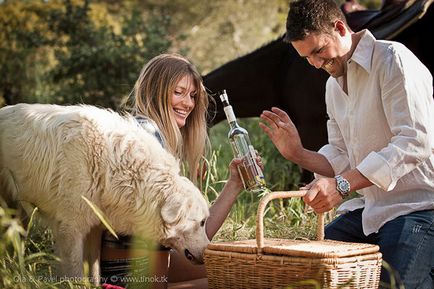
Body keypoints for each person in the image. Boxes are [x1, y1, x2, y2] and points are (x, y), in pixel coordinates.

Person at [259, 0, 434, 288]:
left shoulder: (392, 60)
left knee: (392, 284)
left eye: (318, 51)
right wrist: (298, 153)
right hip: (370, 213)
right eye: (307, 58)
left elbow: (415, 141)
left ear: (340, 28)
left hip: (418, 208)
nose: (315, 64)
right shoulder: (333, 86)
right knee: (309, 272)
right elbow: (342, 157)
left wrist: (341, 186)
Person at [100, 53, 255, 289]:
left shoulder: (156, 137)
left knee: (242, 272)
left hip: (143, 267)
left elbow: (192, 238)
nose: (188, 103)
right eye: (178, 92)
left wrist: (234, 184)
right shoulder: (146, 137)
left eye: (192, 95)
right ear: (155, 91)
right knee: (240, 280)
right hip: (129, 273)